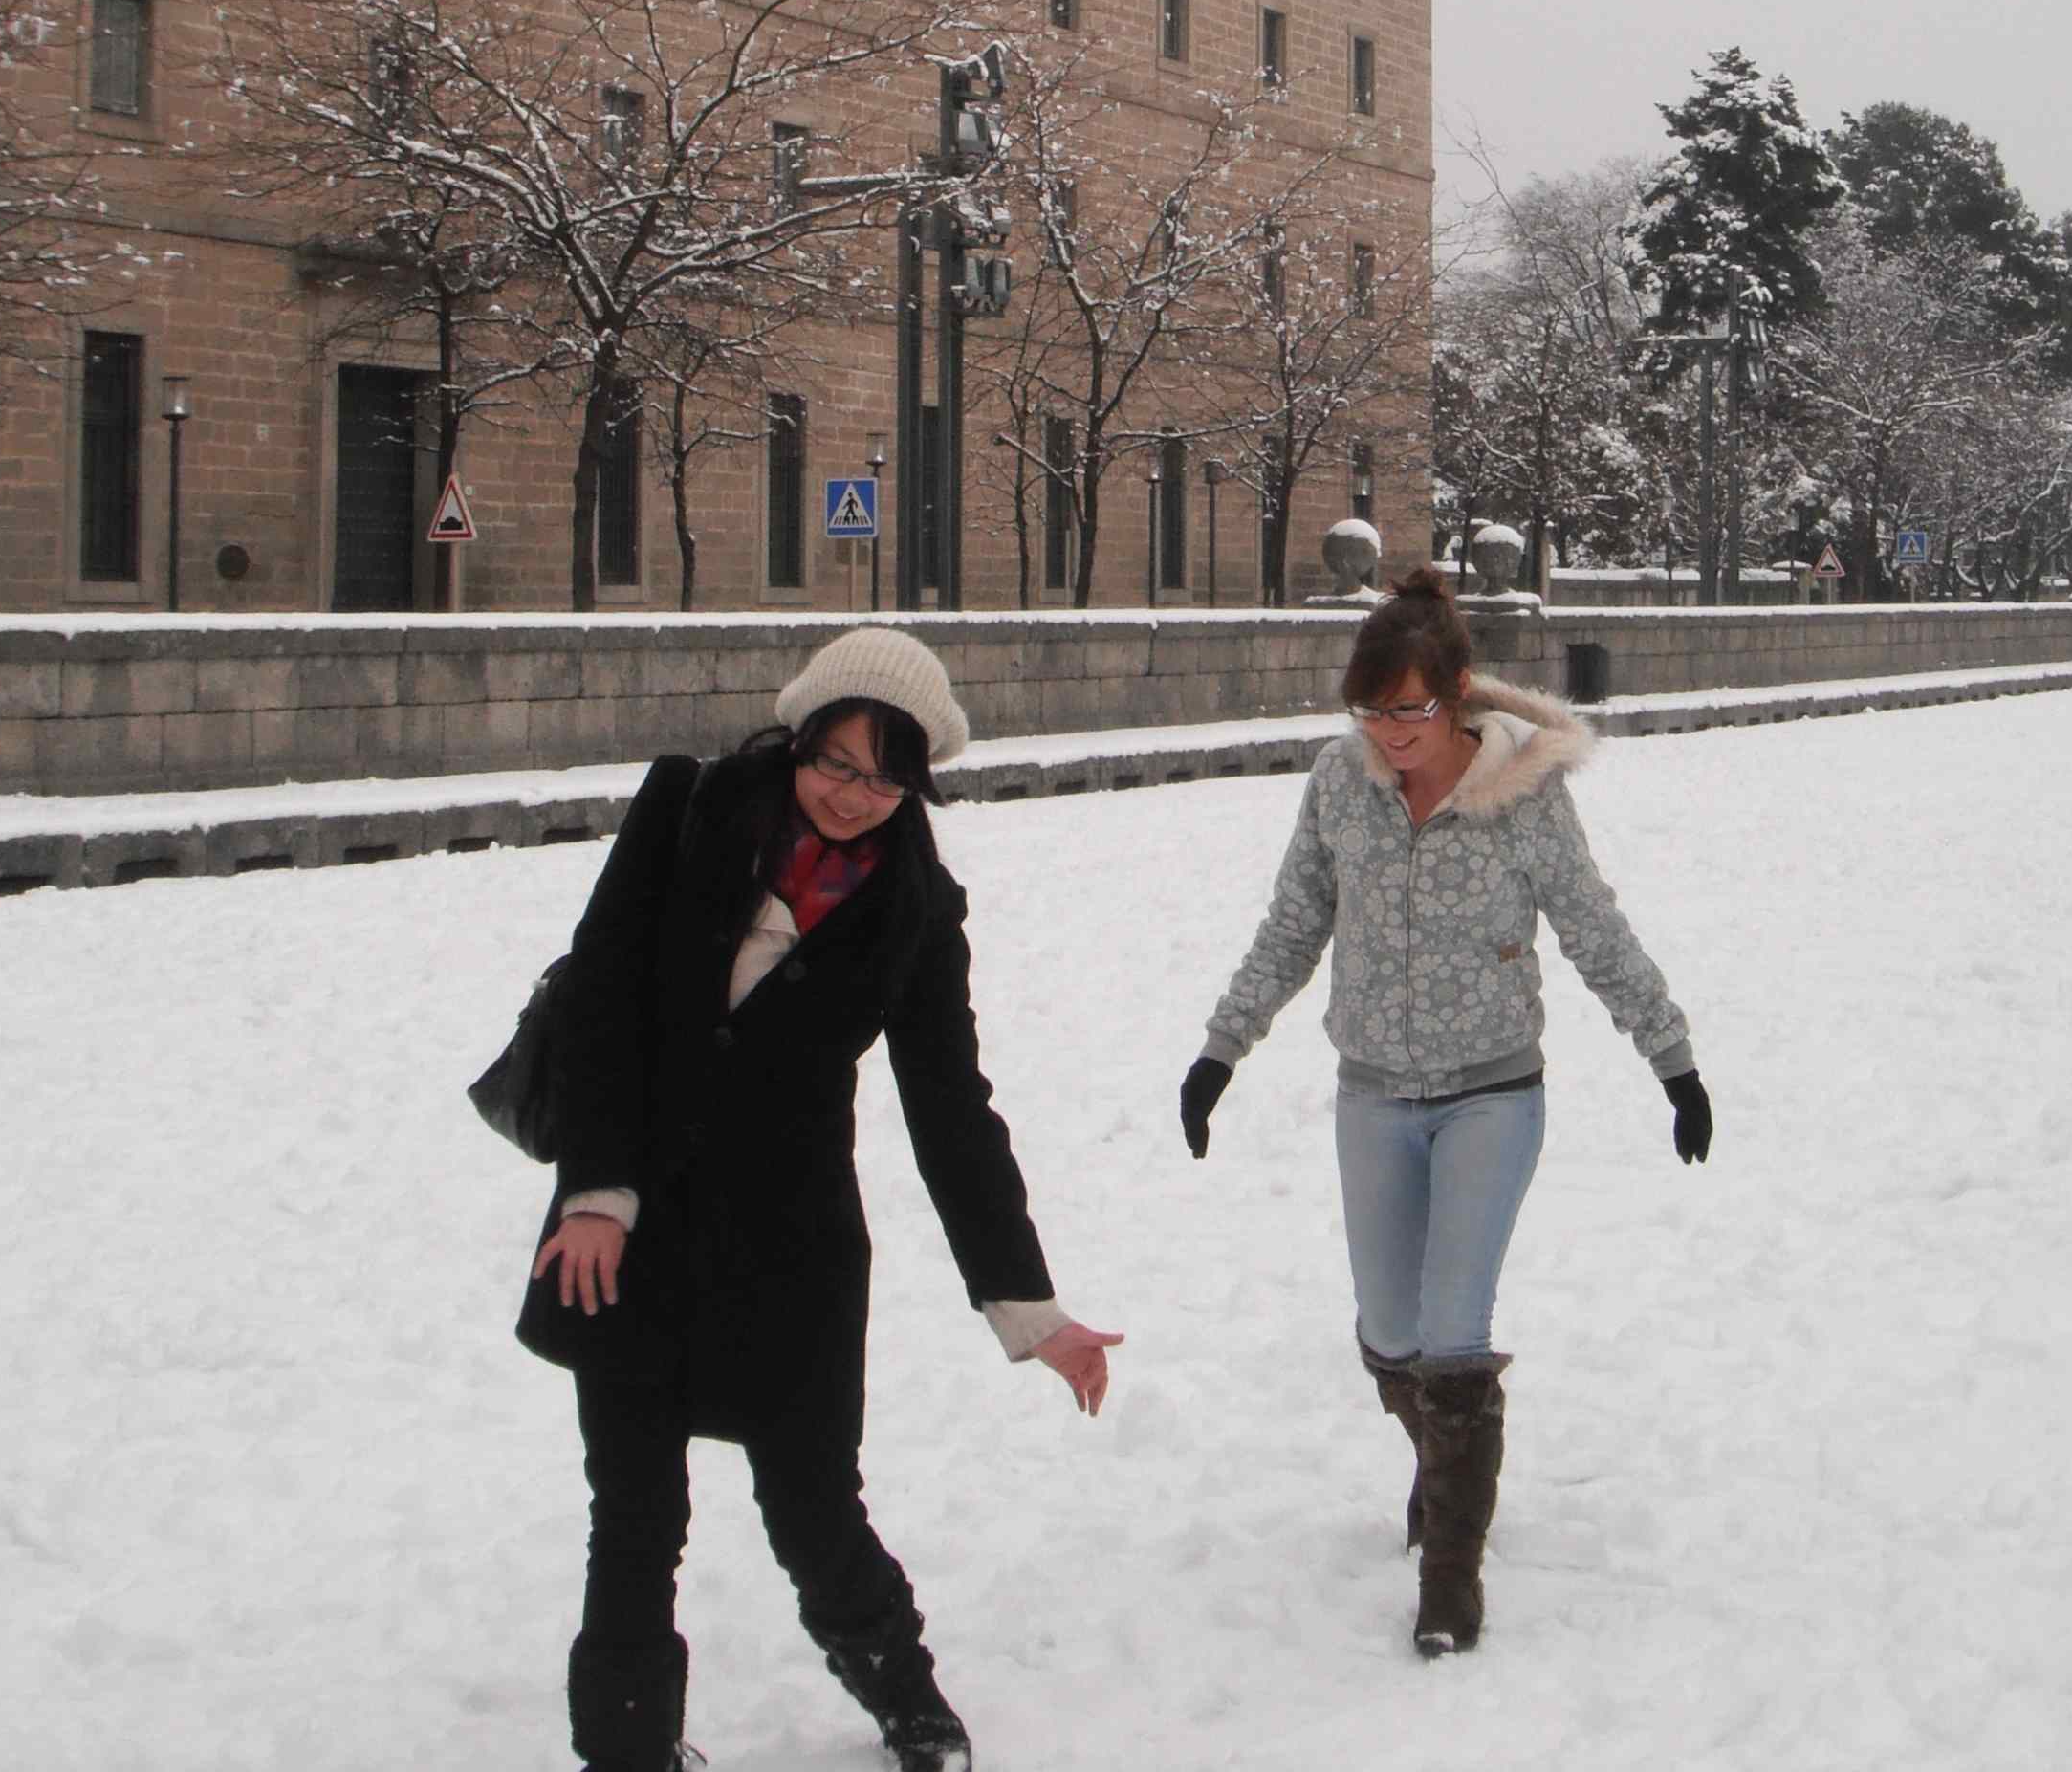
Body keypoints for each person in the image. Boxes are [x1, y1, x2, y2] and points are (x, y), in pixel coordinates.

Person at [520, 625, 1120, 1772]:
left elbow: (951, 1107)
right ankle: (626, 1750)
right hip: (627, 1224)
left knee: (811, 1502)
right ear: (798, 737)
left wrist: (1025, 1306)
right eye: (836, 762)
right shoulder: (689, 808)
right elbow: (600, 995)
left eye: (886, 777)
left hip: (789, 1245)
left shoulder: (916, 905)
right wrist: (597, 1191)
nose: (854, 795)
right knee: (635, 1511)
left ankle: (913, 1708)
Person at [1178, 569, 1710, 1657]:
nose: (1389, 735)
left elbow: (1593, 929)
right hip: (1372, 1091)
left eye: (1408, 711)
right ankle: (1444, 1467)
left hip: (1491, 1094)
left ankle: (1450, 1577)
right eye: (1370, 712)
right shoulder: (1341, 781)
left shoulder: (1525, 796)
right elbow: (1292, 926)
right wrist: (1220, 1049)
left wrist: (1672, 1059)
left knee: (1453, 1336)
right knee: (1390, 1334)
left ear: (1459, 694)